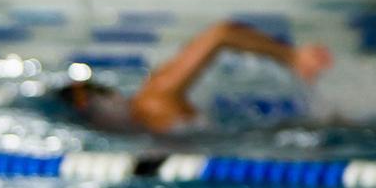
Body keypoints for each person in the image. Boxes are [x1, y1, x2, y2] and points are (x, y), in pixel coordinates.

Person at [54, 19, 334, 134]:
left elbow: (220, 33)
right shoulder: (143, 121)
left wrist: (291, 57)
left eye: (93, 114)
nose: (100, 125)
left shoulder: (153, 97)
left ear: (110, 97)